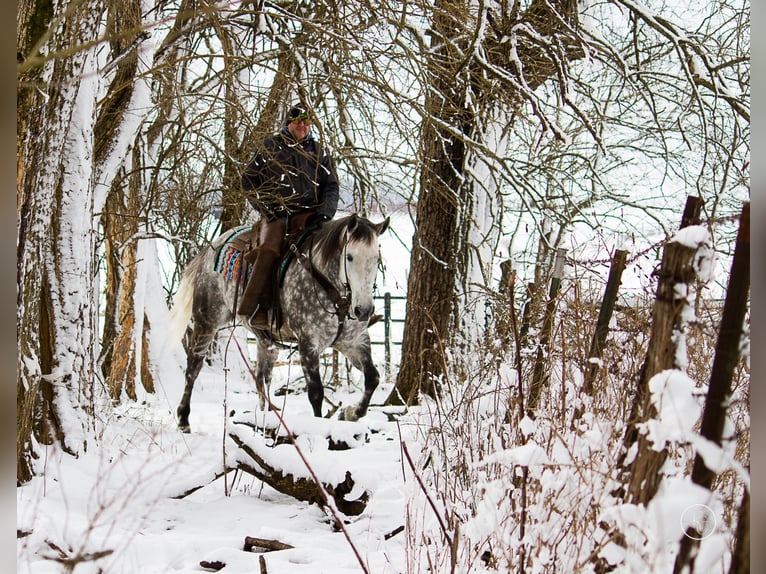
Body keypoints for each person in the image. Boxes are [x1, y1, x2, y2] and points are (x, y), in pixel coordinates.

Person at [238, 104, 340, 330]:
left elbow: (331, 186)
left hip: (312, 215)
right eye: (297, 121)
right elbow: (248, 182)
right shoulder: (269, 147)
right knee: (269, 249)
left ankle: (343, 306)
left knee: (337, 247)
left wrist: (325, 213)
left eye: (306, 122)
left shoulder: (319, 151)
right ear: (288, 124)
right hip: (277, 214)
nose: (302, 125)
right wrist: (266, 207)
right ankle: (257, 307)